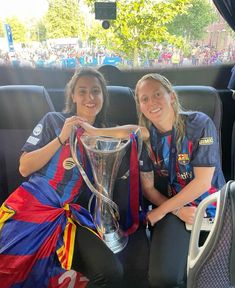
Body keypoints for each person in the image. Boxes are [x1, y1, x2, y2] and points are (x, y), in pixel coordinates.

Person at [0, 67, 147, 288]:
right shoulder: (53, 120)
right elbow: (24, 167)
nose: (90, 97)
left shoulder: (107, 130)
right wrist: (61, 137)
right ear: (73, 95)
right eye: (83, 91)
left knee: (111, 272)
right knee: (10, 266)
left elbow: (142, 133)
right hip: (34, 203)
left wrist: (91, 131)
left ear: (103, 96)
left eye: (96, 91)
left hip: (69, 214)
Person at [134, 73, 226, 288]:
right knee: (163, 278)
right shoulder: (146, 138)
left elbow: (203, 182)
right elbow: (147, 188)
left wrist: (160, 211)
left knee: (215, 276)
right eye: (144, 98)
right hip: (174, 208)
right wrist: (173, 210)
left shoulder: (200, 123)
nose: (151, 102)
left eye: (157, 94)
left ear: (171, 97)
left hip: (213, 207)